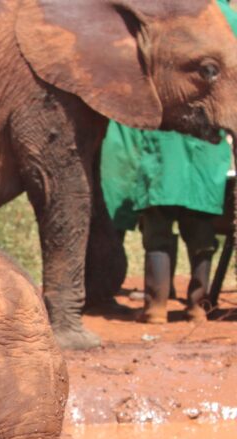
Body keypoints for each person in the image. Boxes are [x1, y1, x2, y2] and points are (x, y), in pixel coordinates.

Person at [100, 0, 237, 324]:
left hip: (162, 160)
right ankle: (196, 308)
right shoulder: (220, 18)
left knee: (158, 237)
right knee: (201, 238)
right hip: (205, 161)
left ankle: (156, 308)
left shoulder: (159, 19)